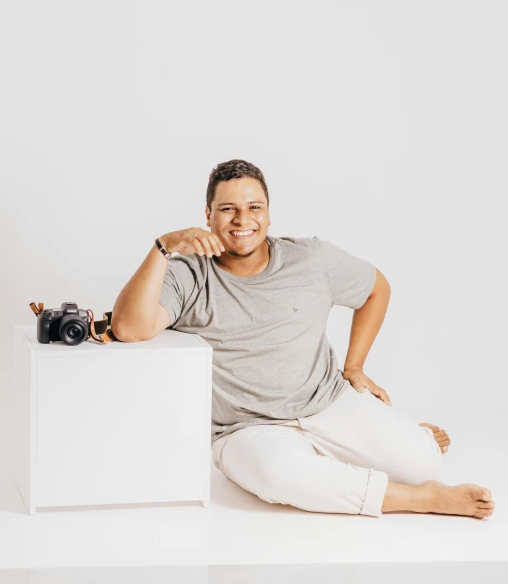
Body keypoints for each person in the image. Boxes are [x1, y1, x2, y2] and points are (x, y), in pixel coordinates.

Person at [111, 159, 494, 520]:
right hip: (245, 428)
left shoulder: (310, 258)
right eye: (227, 209)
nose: (242, 220)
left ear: (269, 213)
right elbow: (130, 328)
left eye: (254, 207)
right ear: (208, 215)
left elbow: (378, 289)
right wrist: (164, 246)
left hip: (324, 401)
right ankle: (420, 498)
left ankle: (414, 441)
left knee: (424, 462)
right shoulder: (187, 274)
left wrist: (354, 366)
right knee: (278, 476)